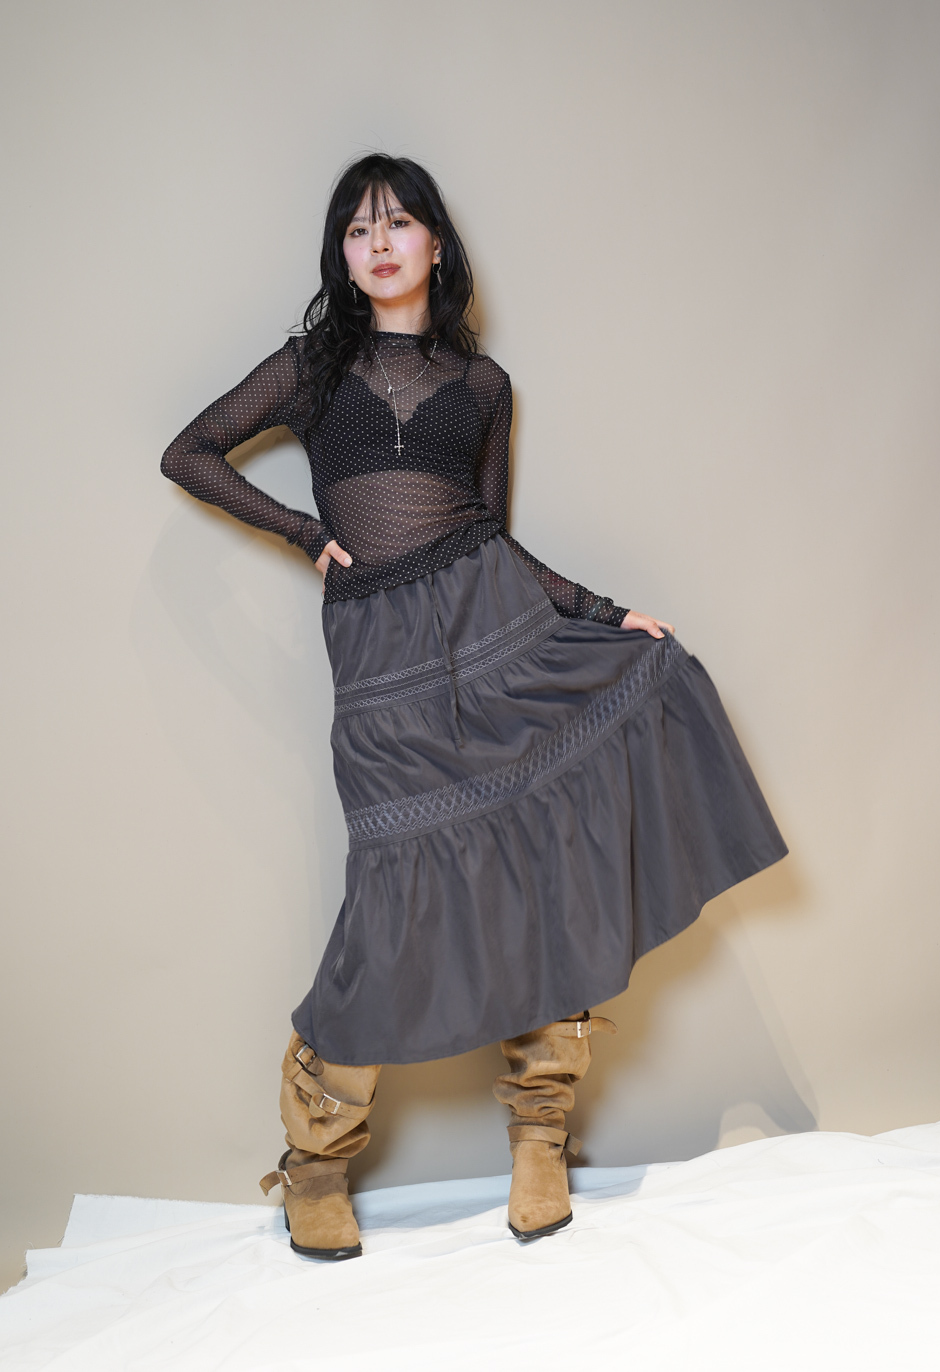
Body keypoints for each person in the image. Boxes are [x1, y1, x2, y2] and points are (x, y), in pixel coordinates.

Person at [161, 152, 787, 1260]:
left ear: (436, 243)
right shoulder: (312, 366)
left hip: (492, 630)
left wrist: (605, 612)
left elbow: (494, 536)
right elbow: (188, 452)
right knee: (391, 897)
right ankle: (316, 1161)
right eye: (358, 230)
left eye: (398, 223)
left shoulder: (484, 387)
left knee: (535, 866)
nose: (379, 244)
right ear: (342, 256)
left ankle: (541, 1140)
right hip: (381, 652)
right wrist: (307, 535)